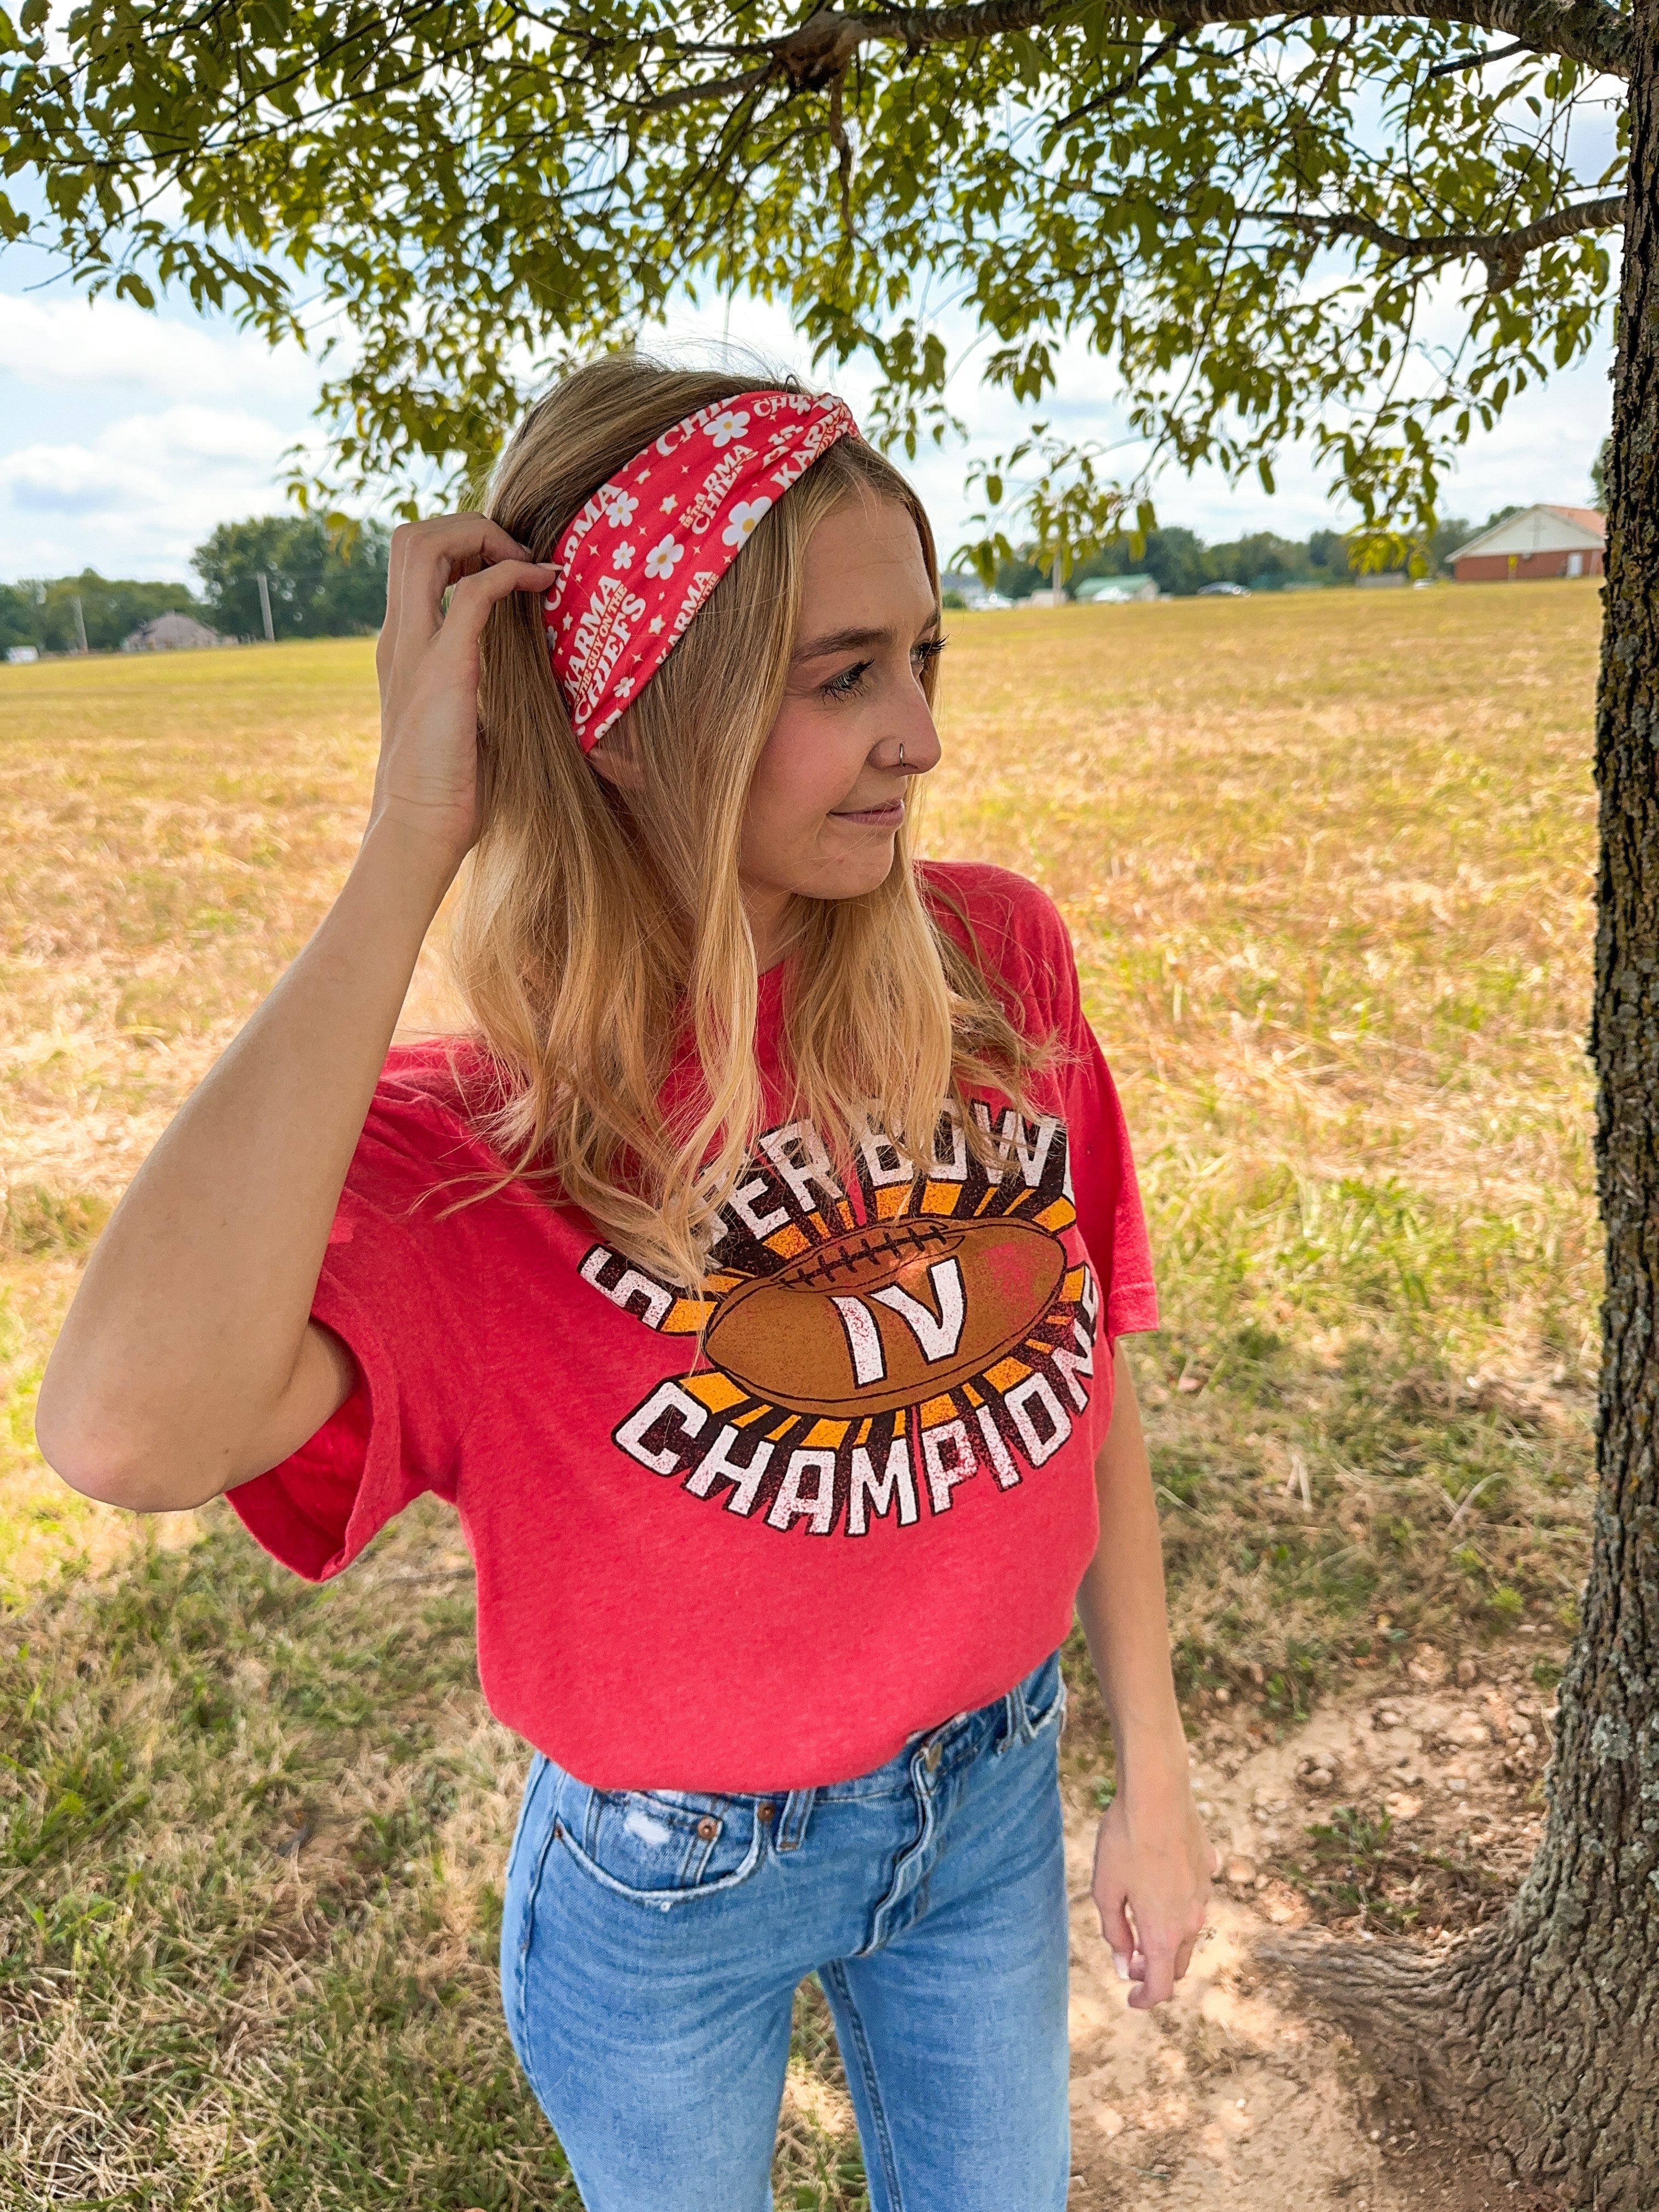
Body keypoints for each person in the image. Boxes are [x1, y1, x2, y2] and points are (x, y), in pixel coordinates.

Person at [38, 357, 1212, 2212]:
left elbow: (1082, 1368)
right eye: (843, 677)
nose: (920, 736)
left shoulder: (992, 962)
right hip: (671, 1888)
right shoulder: (482, 1153)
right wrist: (405, 850)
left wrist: (1152, 1772)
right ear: (638, 714)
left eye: (927, 656)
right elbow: (122, 1428)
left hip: (993, 1800)